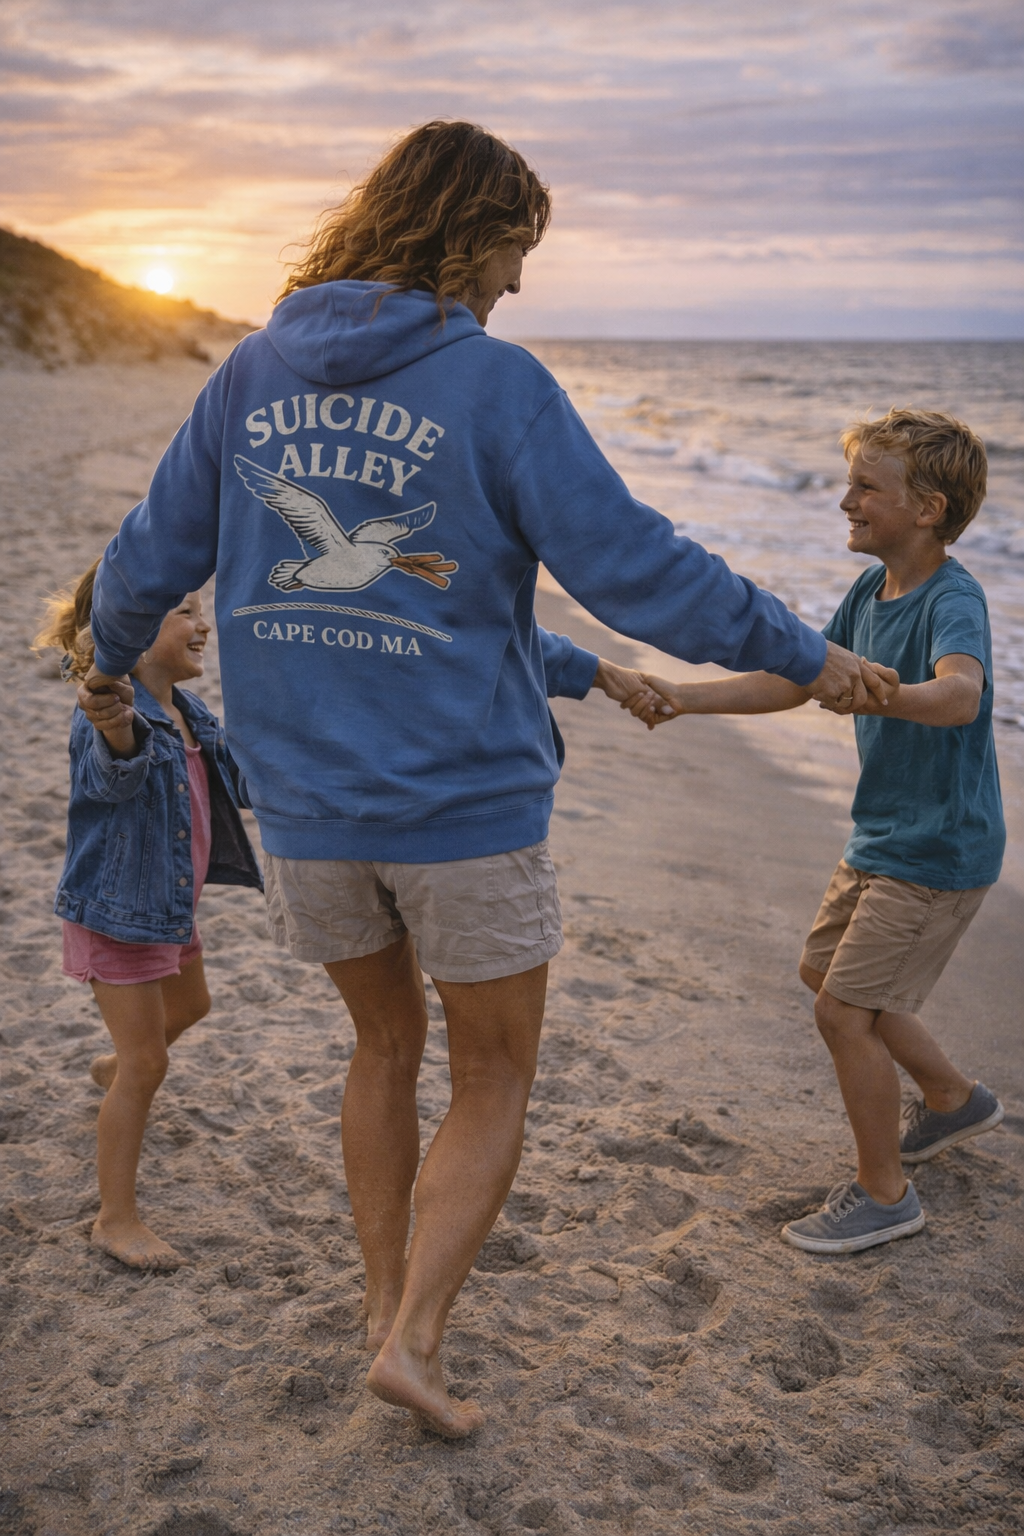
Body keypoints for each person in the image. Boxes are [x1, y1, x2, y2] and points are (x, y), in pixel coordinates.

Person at [81, 120, 882, 1432]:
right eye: (517, 250)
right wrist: (807, 652)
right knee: (493, 1071)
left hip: (308, 808)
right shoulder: (496, 388)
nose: (518, 284)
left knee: (381, 1046)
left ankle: (382, 1299)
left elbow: (145, 552)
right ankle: (418, 1337)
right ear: (469, 232)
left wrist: (109, 661)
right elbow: (635, 563)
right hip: (463, 804)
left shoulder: (249, 378)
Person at [631, 407, 1005, 1255]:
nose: (845, 501)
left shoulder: (954, 597)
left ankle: (885, 1194)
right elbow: (800, 680)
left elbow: (962, 696)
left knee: (844, 1015)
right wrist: (686, 696)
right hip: (882, 835)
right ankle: (953, 1100)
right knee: (823, 973)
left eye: (865, 488)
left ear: (928, 510)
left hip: (938, 847)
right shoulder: (870, 590)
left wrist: (887, 694)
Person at [36, 566, 262, 1271]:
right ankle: (115, 1218)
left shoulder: (192, 716)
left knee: (193, 1004)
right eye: (184, 613)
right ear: (130, 637)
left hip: (165, 907)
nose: (202, 625)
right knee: (149, 1061)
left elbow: (243, 782)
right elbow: (116, 769)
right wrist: (117, 725)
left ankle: (111, 1066)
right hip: (116, 914)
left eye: (200, 611)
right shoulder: (110, 719)